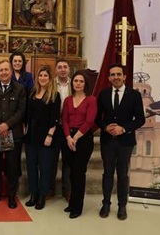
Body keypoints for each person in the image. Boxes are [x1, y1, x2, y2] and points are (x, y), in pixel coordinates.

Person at [96, 63, 145, 220]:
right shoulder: (103, 94)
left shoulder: (134, 95)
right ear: (109, 77)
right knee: (108, 173)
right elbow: (97, 118)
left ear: (124, 76)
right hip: (107, 141)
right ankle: (106, 204)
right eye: (112, 74)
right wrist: (105, 127)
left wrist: (123, 128)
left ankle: (122, 206)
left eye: (119, 74)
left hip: (125, 141)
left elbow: (140, 119)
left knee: (123, 174)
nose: (116, 77)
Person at [0, 60, 26, 209]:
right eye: (1, 70)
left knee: (12, 167)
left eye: (6, 70)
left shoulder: (20, 89)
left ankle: (11, 196)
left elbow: (21, 111)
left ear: (11, 71)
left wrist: (7, 125)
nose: (4, 73)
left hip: (13, 133)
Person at [24, 66, 61, 210]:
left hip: (46, 136)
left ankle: (42, 196)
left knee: (45, 168)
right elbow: (27, 113)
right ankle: (33, 194)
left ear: (50, 78)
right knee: (31, 166)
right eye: (40, 76)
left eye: (46, 76)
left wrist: (50, 134)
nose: (43, 78)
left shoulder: (54, 95)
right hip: (31, 135)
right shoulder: (32, 92)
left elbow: (55, 117)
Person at [62, 71, 97, 219]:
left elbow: (89, 121)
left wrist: (75, 138)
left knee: (79, 173)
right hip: (68, 138)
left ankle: (78, 207)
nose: (78, 83)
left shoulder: (91, 100)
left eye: (81, 81)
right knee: (71, 172)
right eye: (75, 81)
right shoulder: (68, 100)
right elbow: (64, 120)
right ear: (72, 83)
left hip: (83, 139)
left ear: (85, 84)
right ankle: (71, 203)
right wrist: (68, 137)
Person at [51, 59, 72, 201]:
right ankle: (49, 189)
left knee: (68, 160)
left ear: (69, 69)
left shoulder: (76, 83)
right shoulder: (50, 83)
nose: (63, 69)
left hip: (70, 127)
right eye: (60, 67)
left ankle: (67, 190)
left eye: (65, 67)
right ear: (56, 70)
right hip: (53, 126)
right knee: (51, 160)